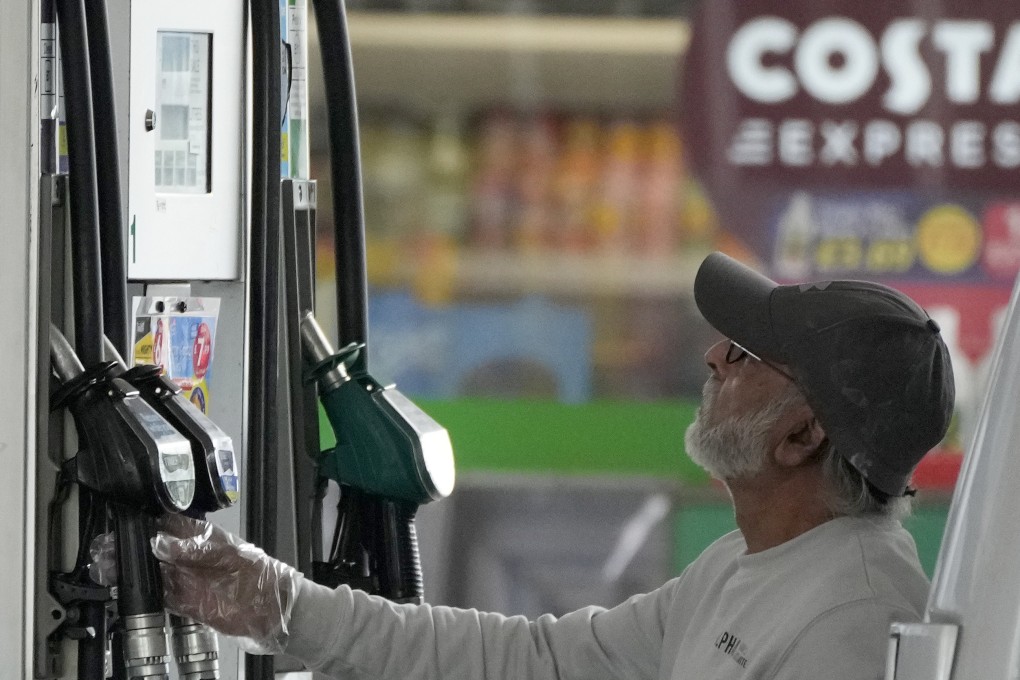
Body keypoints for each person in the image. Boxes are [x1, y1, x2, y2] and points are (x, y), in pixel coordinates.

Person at [152, 251, 954, 679]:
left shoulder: (850, 621)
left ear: (800, 437)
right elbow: (540, 659)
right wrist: (282, 606)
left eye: (744, 355)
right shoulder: (750, 563)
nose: (712, 356)